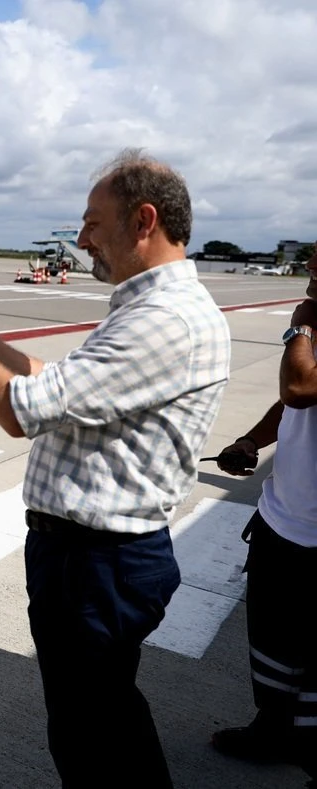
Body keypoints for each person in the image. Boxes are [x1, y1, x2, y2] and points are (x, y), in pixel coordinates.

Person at [0, 148, 231, 787]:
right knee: (99, 721)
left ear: (143, 220)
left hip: (101, 562)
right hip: (91, 559)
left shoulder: (164, 317)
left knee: (96, 736)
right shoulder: (148, 308)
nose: (82, 236)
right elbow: (59, 381)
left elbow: (22, 410)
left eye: (94, 222)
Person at [209, 248, 316, 785]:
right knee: (274, 641)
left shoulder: (307, 328)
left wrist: (298, 330)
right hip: (283, 521)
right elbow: (295, 405)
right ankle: (274, 728)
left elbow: (301, 385)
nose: (312, 269)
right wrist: (252, 439)